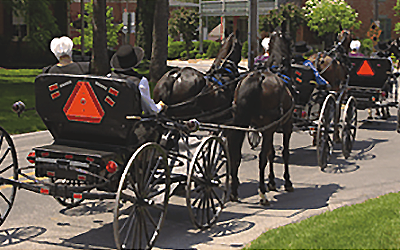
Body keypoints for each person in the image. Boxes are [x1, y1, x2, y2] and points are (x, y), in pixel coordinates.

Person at [109, 44, 166, 115]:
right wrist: (159, 106)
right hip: (131, 122)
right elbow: (150, 110)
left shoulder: (108, 78)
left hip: (109, 119)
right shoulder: (140, 82)